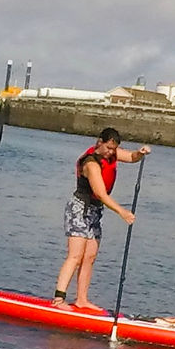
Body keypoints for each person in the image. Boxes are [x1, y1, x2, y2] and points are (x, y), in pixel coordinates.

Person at [52, 128, 150, 310]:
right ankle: (58, 299)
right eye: (109, 148)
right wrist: (122, 212)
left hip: (95, 211)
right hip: (79, 209)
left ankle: (81, 299)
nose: (111, 152)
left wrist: (140, 153)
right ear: (100, 142)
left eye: (114, 149)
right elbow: (100, 193)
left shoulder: (112, 154)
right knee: (75, 256)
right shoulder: (91, 163)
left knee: (90, 256)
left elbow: (130, 157)